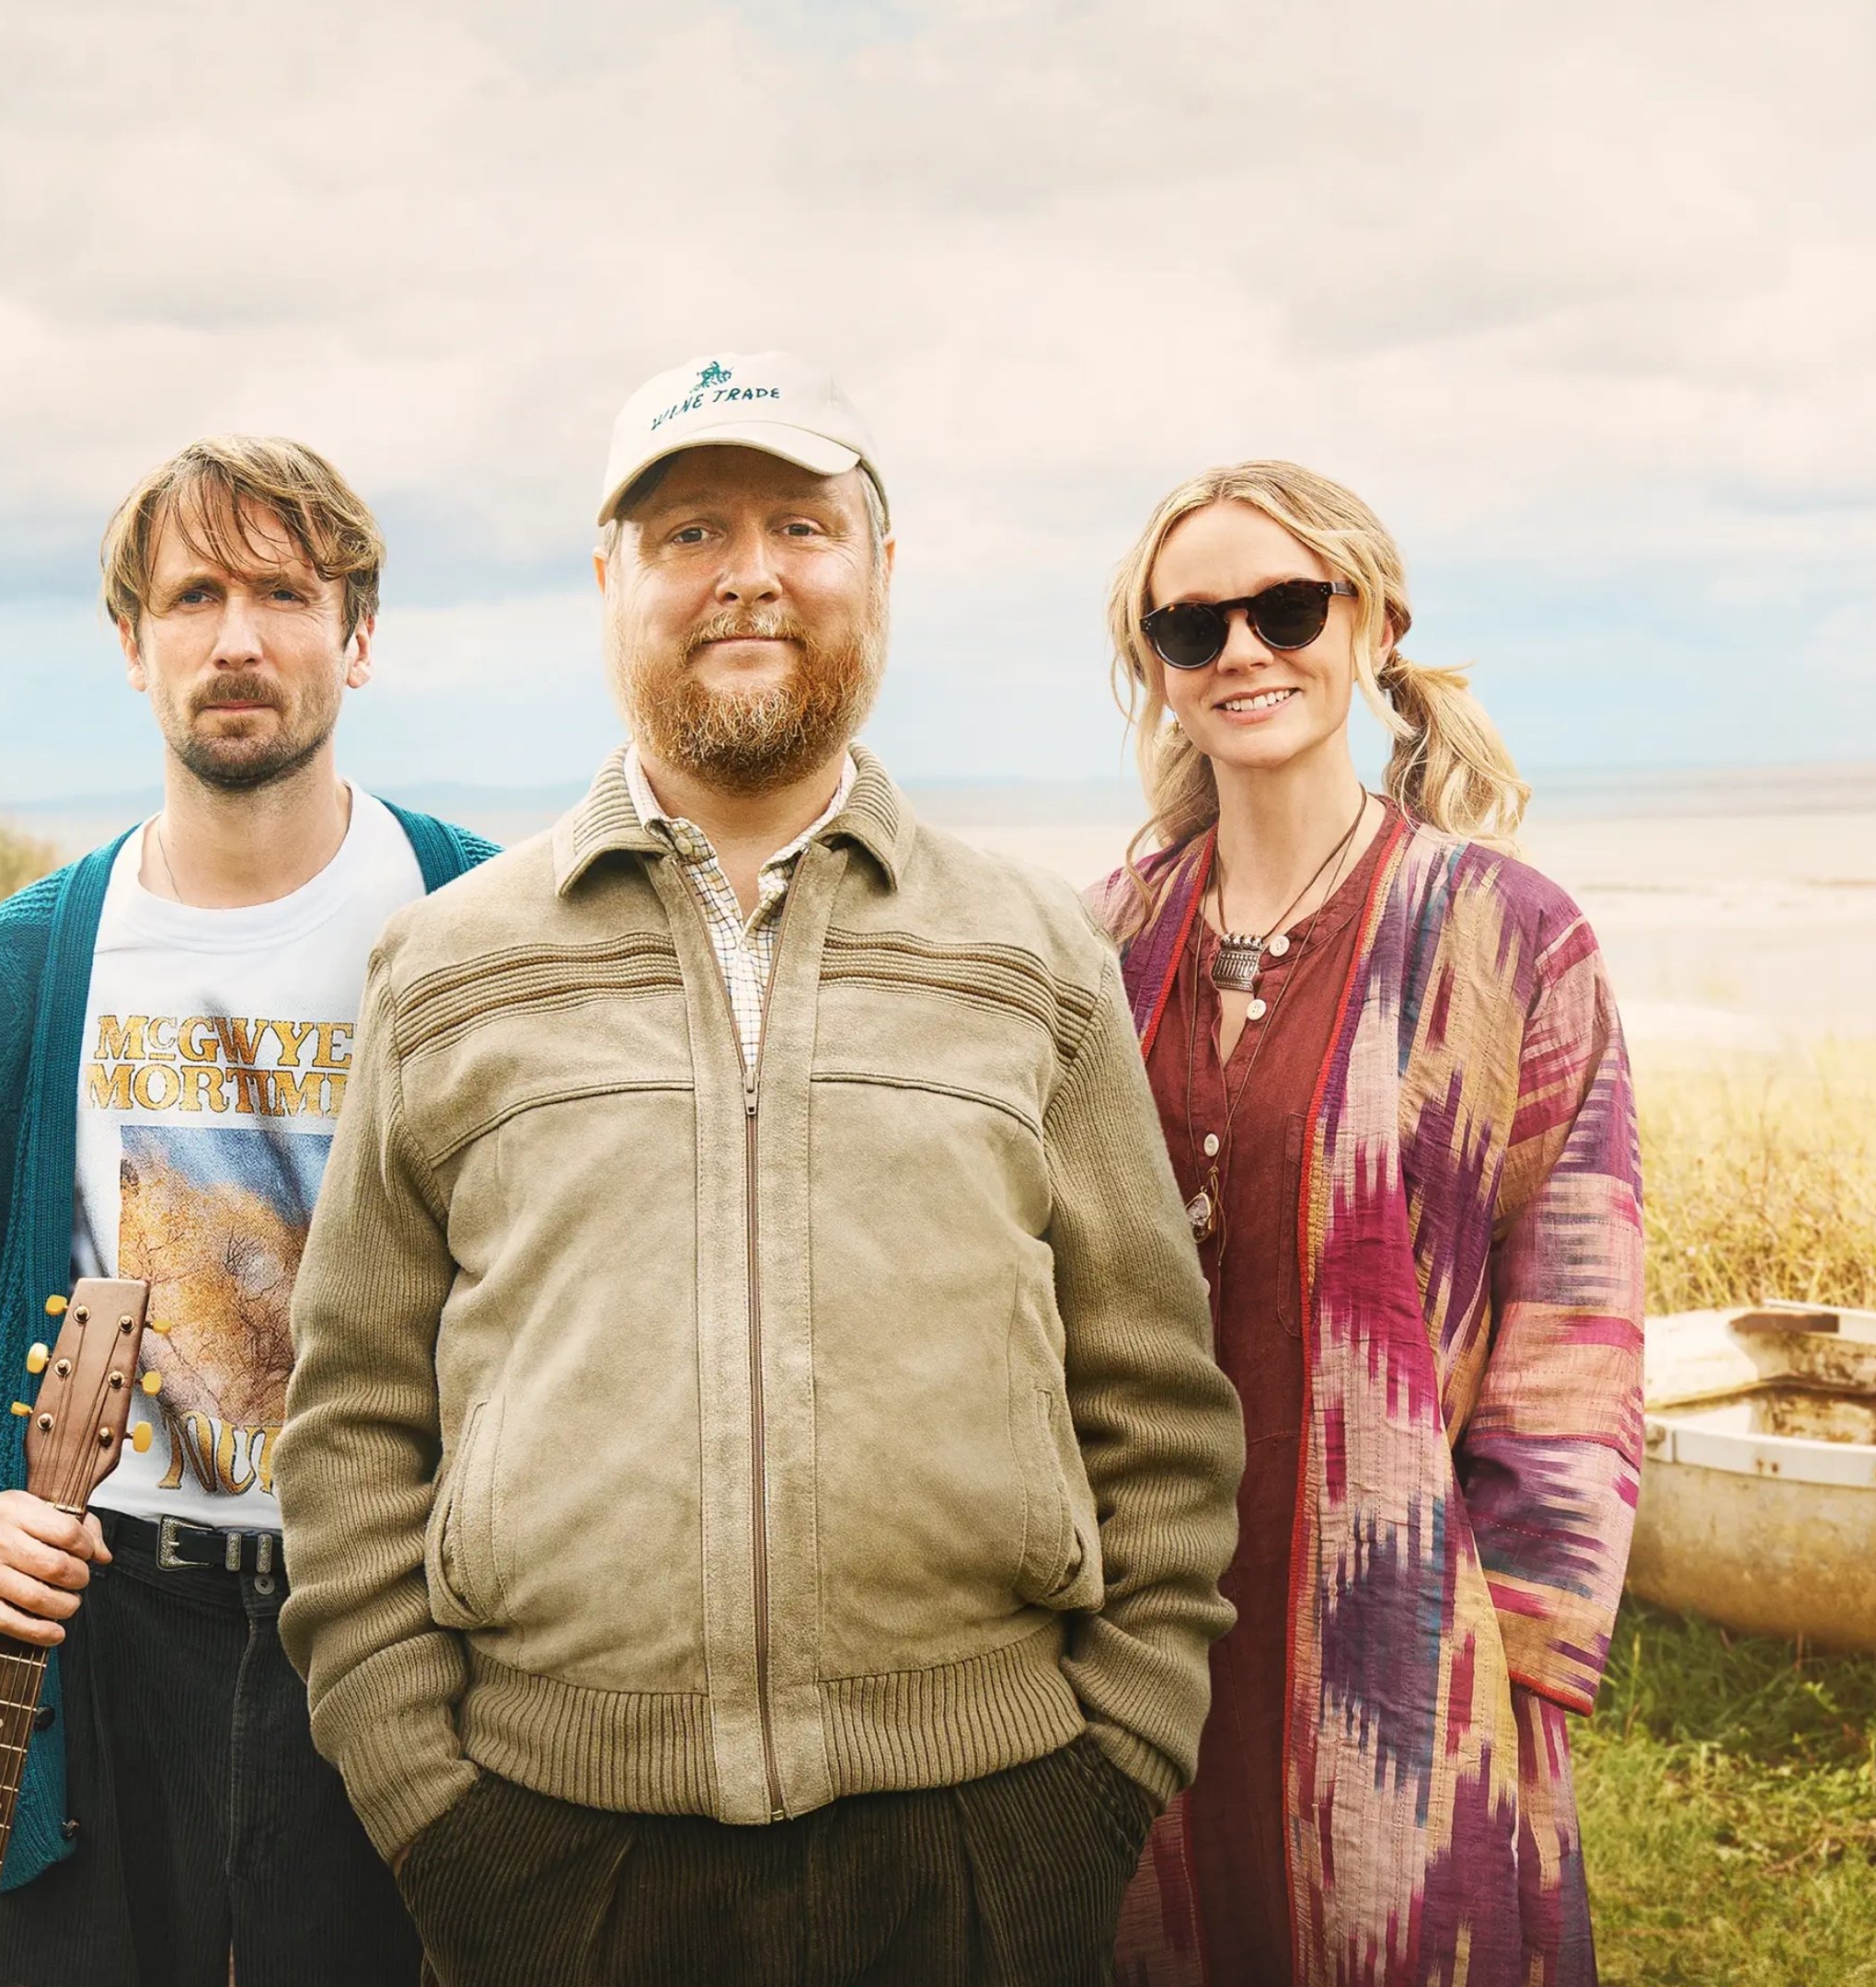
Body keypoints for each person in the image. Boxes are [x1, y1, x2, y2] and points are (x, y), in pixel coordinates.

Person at [274, 353, 1246, 1987]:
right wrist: (425, 1801)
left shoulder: (1033, 955)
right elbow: (354, 1414)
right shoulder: (449, 965)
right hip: (550, 1851)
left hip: (985, 1838)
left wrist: (1112, 1763)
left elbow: (1155, 1396)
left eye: (801, 525)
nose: (749, 574)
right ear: (609, 582)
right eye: (688, 533)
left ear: (880, 568)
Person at [0, 435, 498, 1985]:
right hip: (98, 1642)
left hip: (391, 1630)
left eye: (286, 593)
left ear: (358, 636)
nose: (238, 639)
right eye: (195, 596)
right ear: (132, 642)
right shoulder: (22, 965)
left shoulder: (480, 925)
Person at [1086, 462, 1645, 1987]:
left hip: (1404, 1635)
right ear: (1156, 666)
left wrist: (1518, 1658)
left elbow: (1576, 1326)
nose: (1241, 651)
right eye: (1192, 627)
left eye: (1285, 608)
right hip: (1142, 1625)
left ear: (1374, 624)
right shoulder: (1104, 941)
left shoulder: (1510, 936)